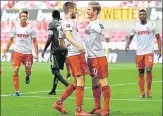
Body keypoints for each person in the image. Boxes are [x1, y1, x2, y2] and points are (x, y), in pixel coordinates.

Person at [53, 2, 90, 116]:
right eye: (75, 9)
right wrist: (78, 46)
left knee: (75, 82)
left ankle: (59, 103)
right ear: (70, 10)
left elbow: (61, 43)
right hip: (76, 54)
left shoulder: (62, 24)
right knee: (81, 81)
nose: (76, 11)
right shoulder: (68, 22)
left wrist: (69, 49)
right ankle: (78, 111)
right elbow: (68, 35)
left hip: (72, 54)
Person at [125, 9, 162, 98]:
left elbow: (158, 38)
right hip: (139, 53)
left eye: (144, 14)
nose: (142, 15)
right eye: (141, 14)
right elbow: (130, 37)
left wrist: (160, 49)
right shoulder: (135, 26)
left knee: (148, 70)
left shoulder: (152, 25)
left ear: (146, 16)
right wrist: (127, 45)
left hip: (149, 52)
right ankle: (142, 92)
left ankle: (149, 91)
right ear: (139, 16)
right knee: (141, 72)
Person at [2, 10, 38, 96]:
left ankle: (27, 75)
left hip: (28, 54)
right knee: (15, 70)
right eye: (22, 16)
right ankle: (17, 91)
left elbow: (35, 42)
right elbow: (10, 41)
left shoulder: (31, 29)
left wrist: (36, 53)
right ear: (19, 17)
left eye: (25, 16)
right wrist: (5, 51)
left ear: (27, 17)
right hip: (17, 53)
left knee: (28, 71)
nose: (23, 17)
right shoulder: (15, 28)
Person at [84, 2, 111, 116]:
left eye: (89, 9)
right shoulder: (90, 24)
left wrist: (106, 36)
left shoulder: (98, 23)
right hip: (91, 57)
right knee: (95, 83)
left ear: (95, 12)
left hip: (98, 57)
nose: (87, 11)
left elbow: (104, 31)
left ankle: (106, 109)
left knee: (102, 81)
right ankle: (97, 107)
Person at [41, 10, 69, 95]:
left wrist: (44, 50)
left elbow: (50, 38)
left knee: (54, 70)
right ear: (59, 16)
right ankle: (53, 90)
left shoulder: (51, 24)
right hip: (64, 49)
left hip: (55, 50)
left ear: (52, 16)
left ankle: (67, 84)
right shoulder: (62, 23)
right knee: (57, 70)